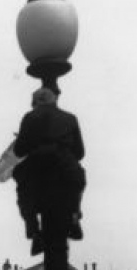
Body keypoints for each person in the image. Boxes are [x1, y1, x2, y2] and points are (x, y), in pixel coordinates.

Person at [11, 86, 86, 253]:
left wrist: (24, 139)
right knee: (78, 179)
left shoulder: (30, 117)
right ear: (54, 100)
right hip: (66, 171)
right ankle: (74, 216)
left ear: (36, 102)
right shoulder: (70, 118)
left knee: (23, 187)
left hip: (38, 171)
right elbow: (80, 153)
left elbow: (19, 151)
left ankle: (33, 228)